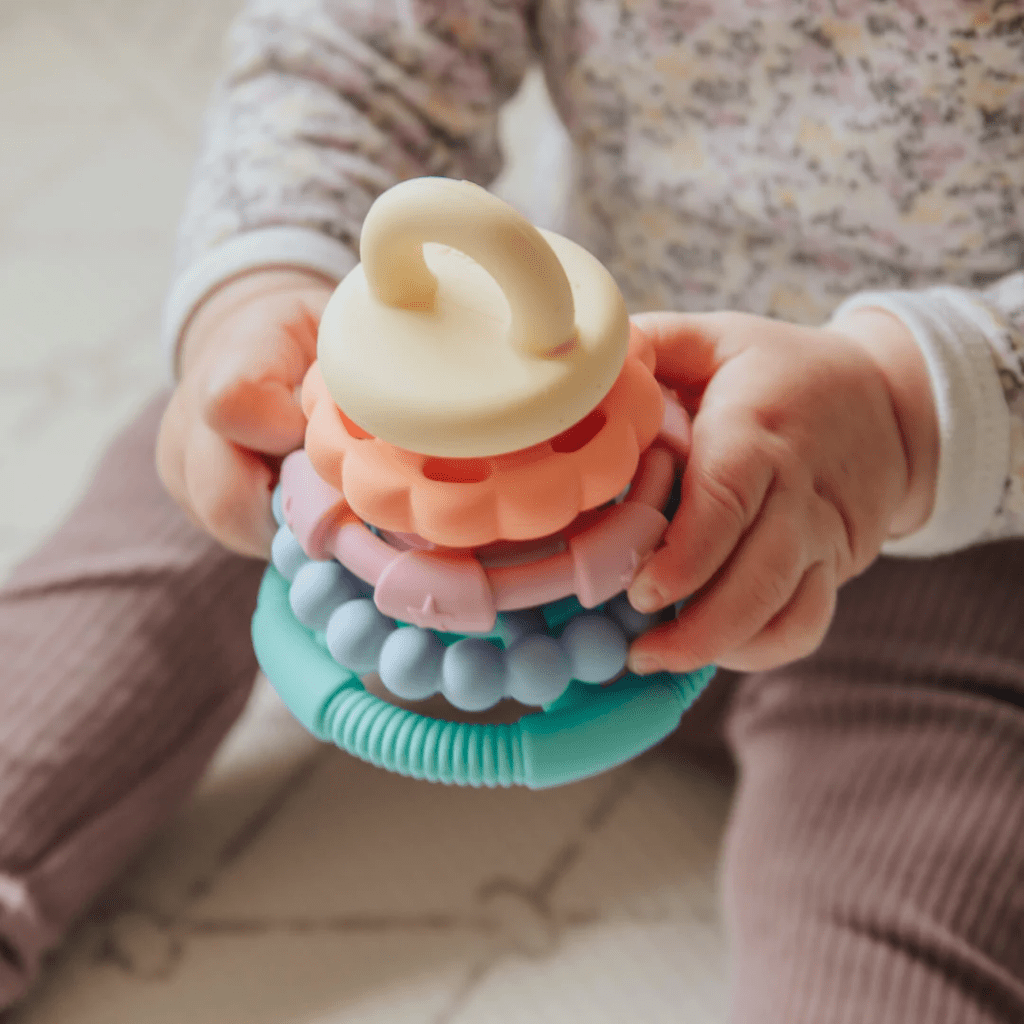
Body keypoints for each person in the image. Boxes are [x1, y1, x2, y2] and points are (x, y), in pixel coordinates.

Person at [2, 1, 1022, 1019]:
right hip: (486, 437)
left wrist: (902, 414)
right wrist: (263, 283)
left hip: (943, 533)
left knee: (897, 939)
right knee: (202, 461)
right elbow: (356, 54)